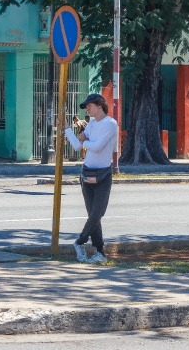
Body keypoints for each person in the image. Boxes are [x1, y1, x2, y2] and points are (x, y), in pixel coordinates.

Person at [61, 94, 118, 264]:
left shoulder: (110, 124)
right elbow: (78, 145)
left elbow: (98, 147)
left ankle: (79, 242)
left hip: (103, 175)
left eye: (89, 105)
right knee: (92, 215)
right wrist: (67, 130)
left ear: (99, 105)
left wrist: (86, 141)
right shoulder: (92, 124)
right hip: (87, 174)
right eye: (85, 106)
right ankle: (100, 252)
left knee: (97, 213)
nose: (87, 108)